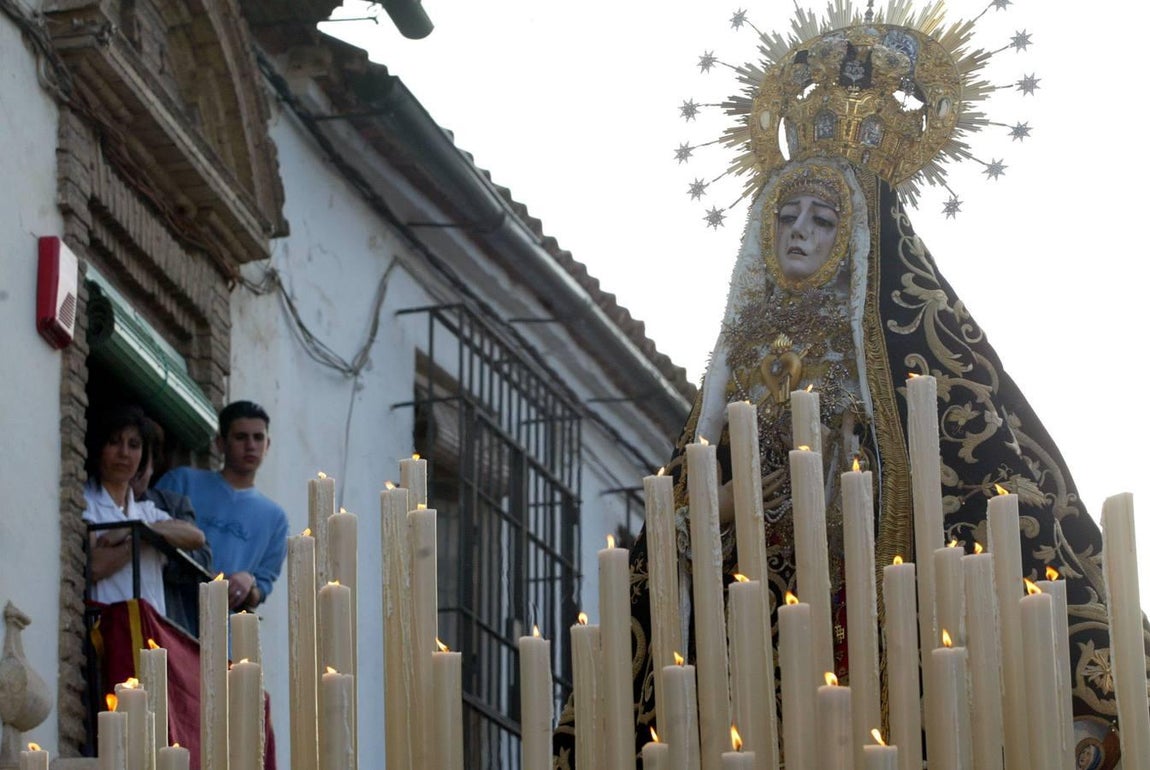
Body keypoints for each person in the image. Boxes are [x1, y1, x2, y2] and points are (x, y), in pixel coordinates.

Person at [554, 6, 1146, 767]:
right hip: (741, 668)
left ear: (861, 236)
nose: (798, 233)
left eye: (823, 219)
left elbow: (999, 509)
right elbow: (669, 543)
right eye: (785, 216)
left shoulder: (926, 373)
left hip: (885, 662)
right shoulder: (727, 391)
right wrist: (715, 512)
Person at [156, 401, 288, 613]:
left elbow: (260, 591)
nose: (251, 446)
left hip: (223, 635)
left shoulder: (275, 519)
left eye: (258, 437)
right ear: (220, 443)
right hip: (168, 615)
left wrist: (247, 582)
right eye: (241, 437)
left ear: (268, 444)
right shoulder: (182, 482)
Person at [83, 405, 206, 615]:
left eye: (134, 445)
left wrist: (135, 531)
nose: (124, 453)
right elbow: (94, 568)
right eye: (114, 442)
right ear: (99, 447)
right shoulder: (86, 501)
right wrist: (143, 540)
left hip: (151, 638)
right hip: (109, 631)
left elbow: (196, 537)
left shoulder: (147, 512)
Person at [131, 419, 213, 636]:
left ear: (152, 466)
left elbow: (202, 557)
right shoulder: (96, 499)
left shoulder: (172, 505)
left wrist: (158, 548)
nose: (135, 474)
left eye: (143, 467)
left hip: (166, 616)